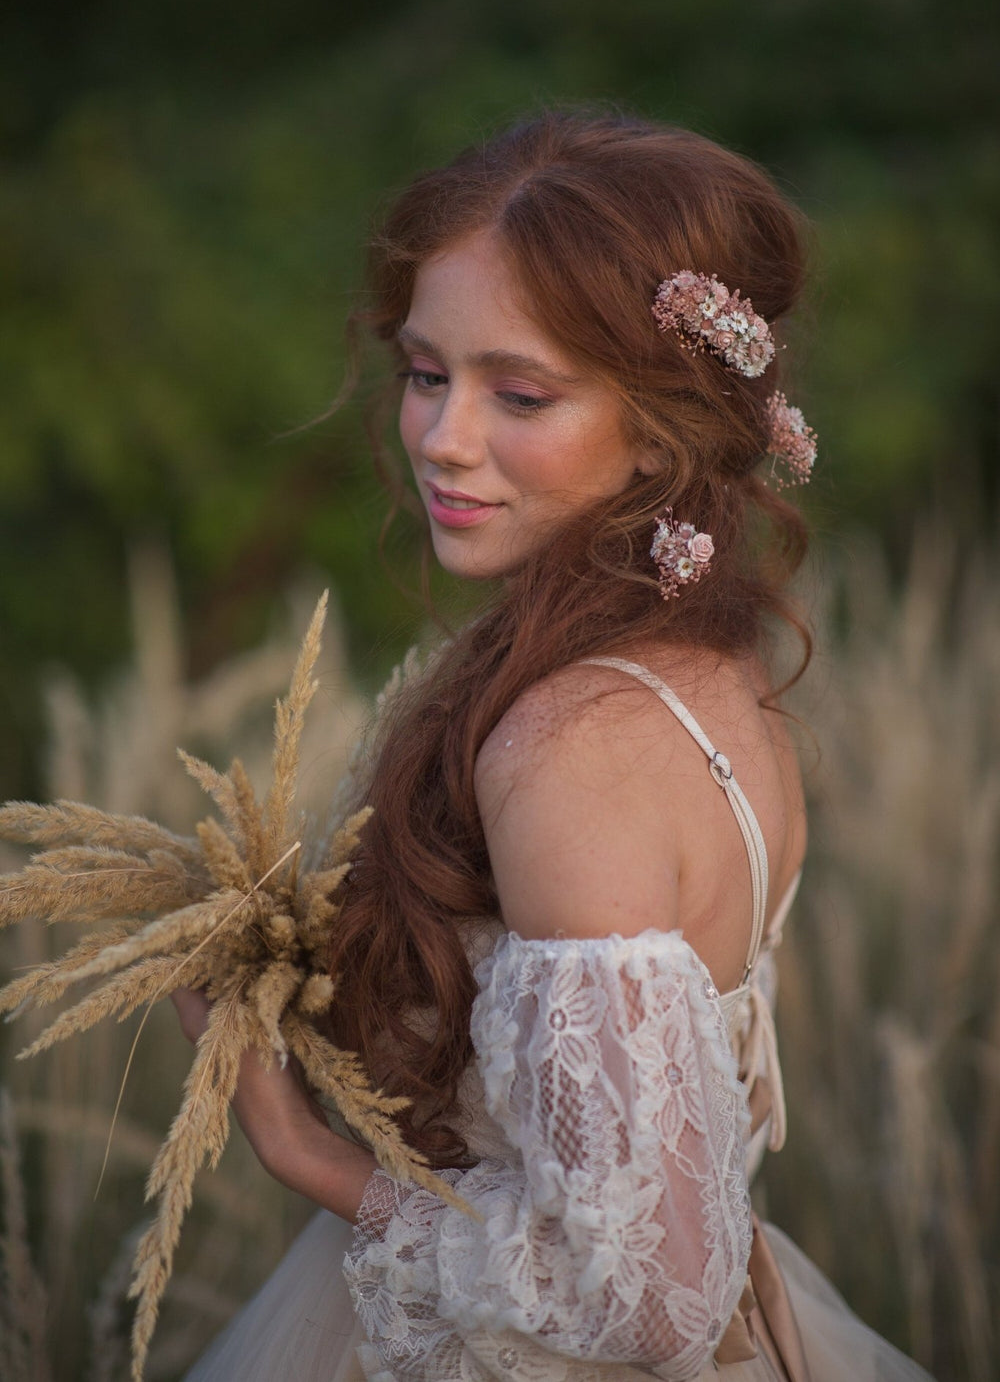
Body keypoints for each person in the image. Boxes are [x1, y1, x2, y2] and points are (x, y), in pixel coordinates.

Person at [175, 112, 934, 1381]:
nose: (442, 437)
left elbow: (642, 1300)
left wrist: (304, 1152)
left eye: (517, 393)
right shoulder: (701, 671)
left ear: (657, 428)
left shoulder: (576, 745)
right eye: (426, 373)